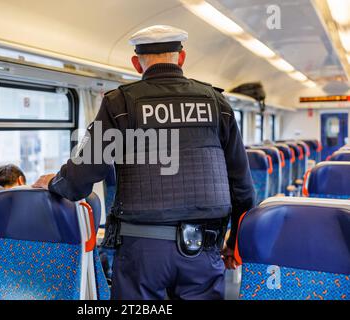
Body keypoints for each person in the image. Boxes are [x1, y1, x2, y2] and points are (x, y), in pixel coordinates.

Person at [33, 25, 255, 300]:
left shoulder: (120, 103)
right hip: (203, 250)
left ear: (137, 63)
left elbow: (81, 177)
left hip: (142, 253)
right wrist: (235, 243)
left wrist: (54, 183)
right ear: (182, 58)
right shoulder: (217, 103)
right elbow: (242, 187)